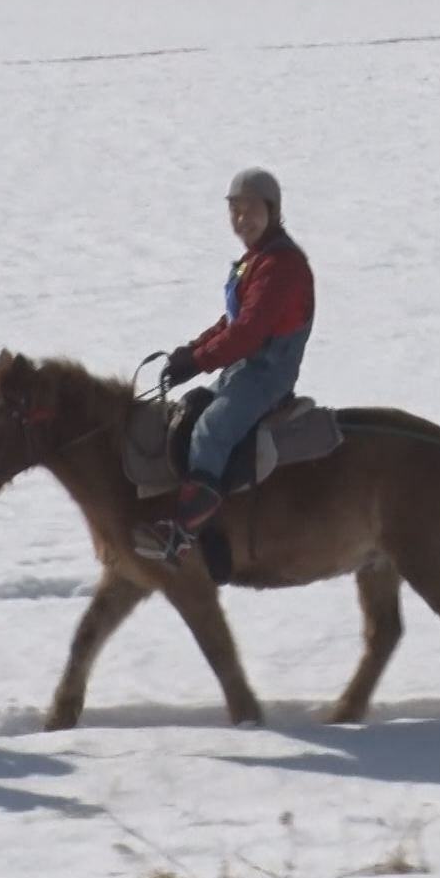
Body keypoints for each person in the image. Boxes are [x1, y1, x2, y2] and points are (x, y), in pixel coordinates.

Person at [152, 166, 315, 575]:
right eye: (235, 210)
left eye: (251, 210)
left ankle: (186, 532)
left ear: (272, 210)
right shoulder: (254, 261)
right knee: (190, 412)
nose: (242, 219)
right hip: (244, 368)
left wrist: (198, 362)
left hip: (268, 373)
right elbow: (232, 322)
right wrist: (191, 351)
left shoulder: (281, 265)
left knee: (211, 430)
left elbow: (248, 333)